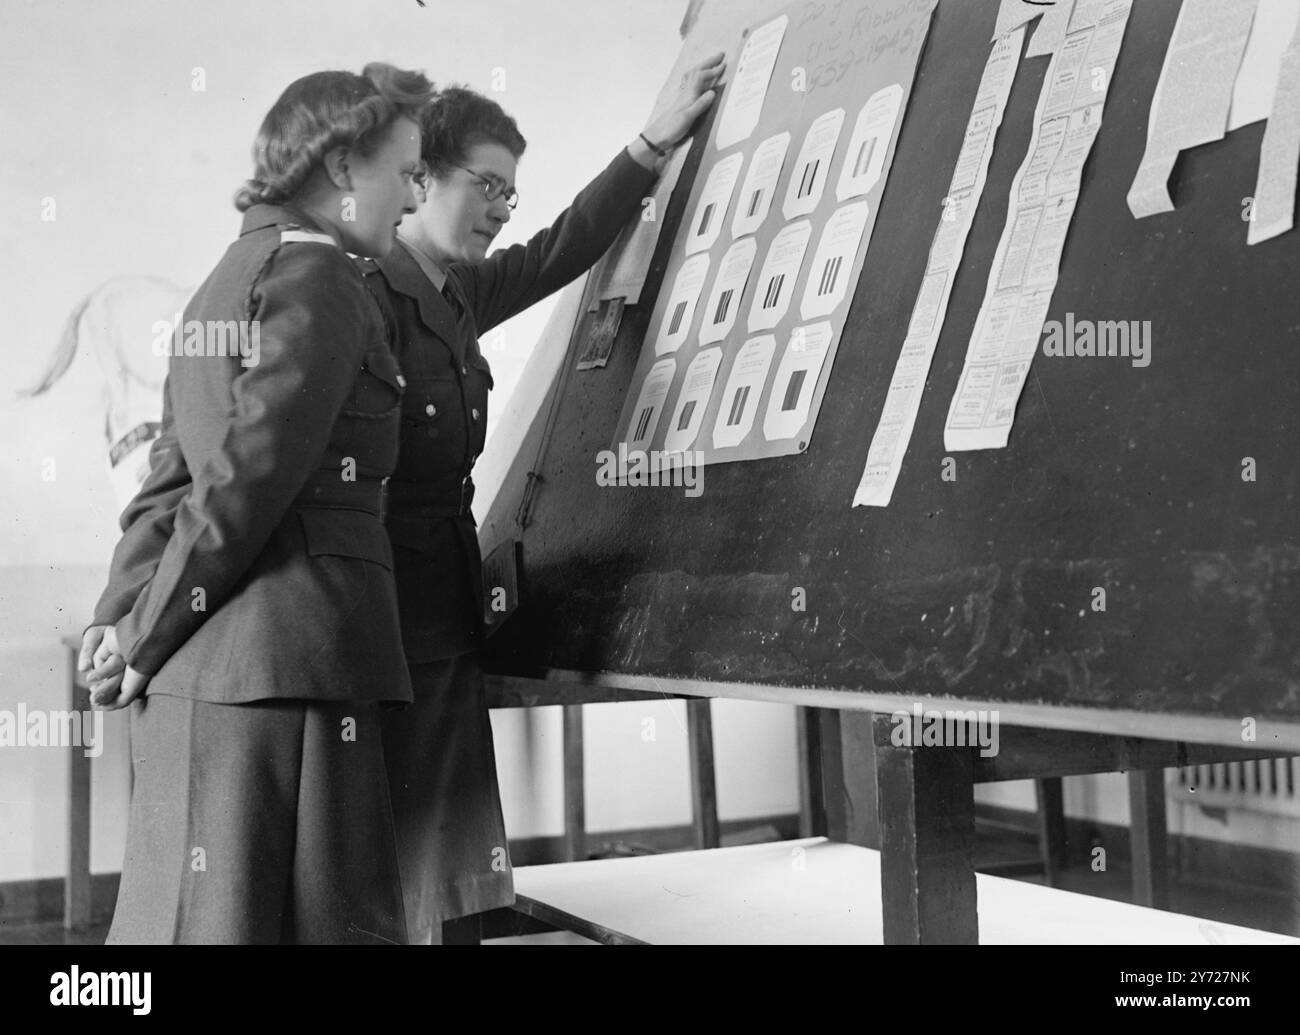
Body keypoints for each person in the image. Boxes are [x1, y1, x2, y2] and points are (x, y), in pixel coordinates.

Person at [363, 54, 725, 944]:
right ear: (421, 178)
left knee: (453, 868)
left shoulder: (457, 290)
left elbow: (564, 246)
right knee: (399, 861)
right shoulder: (365, 290)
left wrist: (650, 145)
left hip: (441, 611)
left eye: (508, 193)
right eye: (484, 184)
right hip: (381, 619)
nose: (497, 208)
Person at [78, 63, 433, 944]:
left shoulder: (228, 277)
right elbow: (245, 479)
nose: (416, 198)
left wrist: (120, 616)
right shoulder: (321, 281)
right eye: (406, 171)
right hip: (294, 677)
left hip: (207, 677)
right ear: (344, 168)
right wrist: (135, 635)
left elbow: (170, 480)